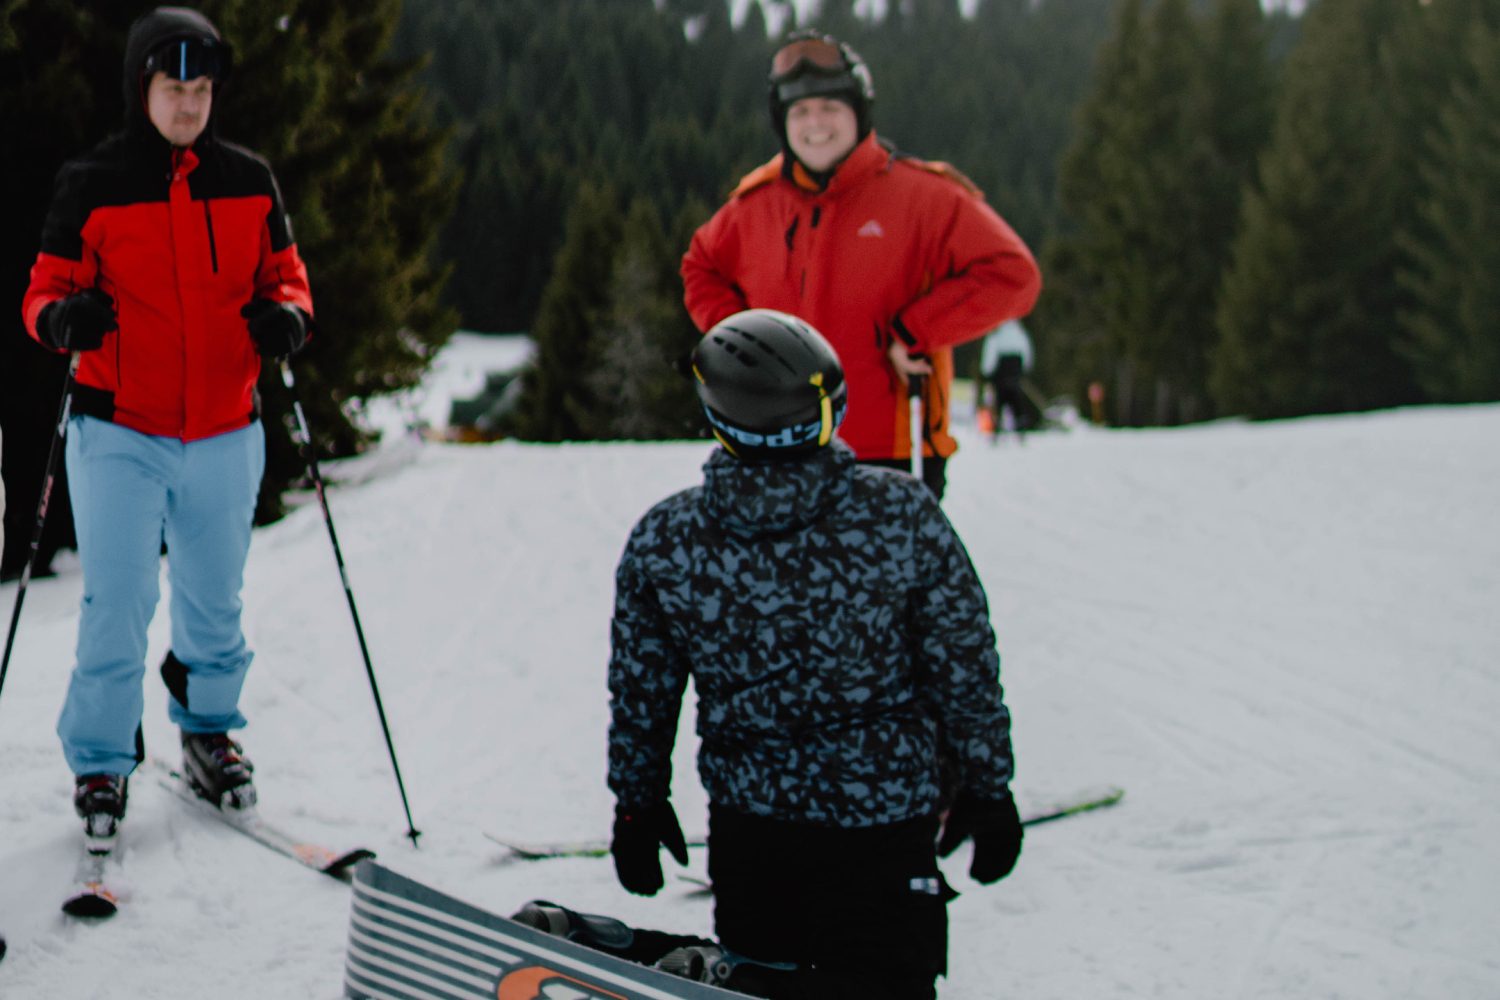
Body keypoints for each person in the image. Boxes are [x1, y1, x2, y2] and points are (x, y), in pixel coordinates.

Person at [606, 310, 1021, 999]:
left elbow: (642, 692)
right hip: (884, 833)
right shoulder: (900, 513)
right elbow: (963, 660)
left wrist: (637, 804)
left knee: (768, 985)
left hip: (754, 839)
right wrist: (988, 786)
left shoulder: (669, 539)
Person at [20, 7, 314, 842]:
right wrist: (62, 319)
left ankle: (208, 733)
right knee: (116, 601)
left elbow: (287, 278)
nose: (188, 105)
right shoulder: (94, 182)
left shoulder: (251, 182)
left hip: (225, 424)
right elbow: (40, 294)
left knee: (213, 601)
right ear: (140, 89)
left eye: (201, 89)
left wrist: (287, 318)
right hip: (121, 429)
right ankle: (103, 763)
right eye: (171, 87)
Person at [681, 30, 1041, 501]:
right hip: (772, 444)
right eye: (801, 111)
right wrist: (746, 347)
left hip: (891, 450)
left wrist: (916, 330)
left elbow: (1012, 274)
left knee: (886, 577)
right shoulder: (755, 205)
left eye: (831, 107)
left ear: (859, 112)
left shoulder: (923, 195)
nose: (816, 123)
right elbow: (700, 267)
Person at [979, 318, 1038, 440]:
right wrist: (1025, 368)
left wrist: (986, 371)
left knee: (1000, 399)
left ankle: (997, 426)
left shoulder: (996, 334)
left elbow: (990, 352)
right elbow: (1027, 351)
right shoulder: (1020, 332)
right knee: (1015, 398)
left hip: (1000, 371)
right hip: (1015, 370)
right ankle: (1020, 424)